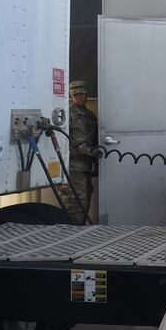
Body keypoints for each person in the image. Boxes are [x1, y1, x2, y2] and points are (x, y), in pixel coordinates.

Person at [65, 80, 99, 224]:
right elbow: (63, 142)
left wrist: (95, 162)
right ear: (72, 96)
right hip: (73, 168)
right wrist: (85, 151)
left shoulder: (90, 116)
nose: (79, 97)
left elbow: (95, 140)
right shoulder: (67, 115)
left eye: (82, 94)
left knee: (85, 203)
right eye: (76, 95)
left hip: (86, 169)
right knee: (74, 205)